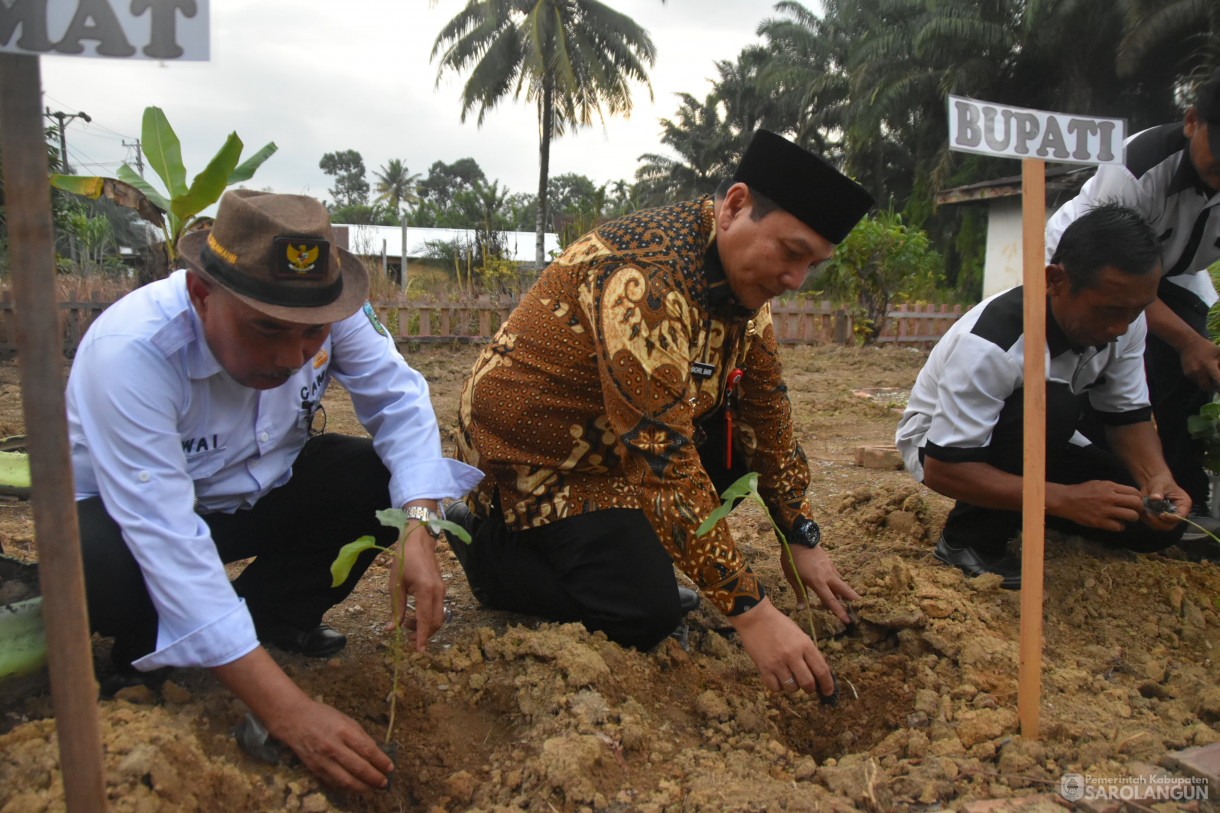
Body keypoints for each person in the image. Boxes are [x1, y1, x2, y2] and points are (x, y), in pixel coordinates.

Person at [66, 190, 483, 792]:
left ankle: (271, 620)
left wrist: (418, 523)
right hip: (139, 519)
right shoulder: (131, 354)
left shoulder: (330, 316)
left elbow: (399, 398)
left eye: (311, 334)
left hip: (261, 492)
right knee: (99, 555)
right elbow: (167, 539)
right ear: (201, 295)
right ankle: (143, 657)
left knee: (370, 477)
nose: (292, 357)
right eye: (266, 329)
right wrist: (288, 712)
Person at [448, 129, 874, 699]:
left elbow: (768, 415)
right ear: (735, 206)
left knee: (731, 447)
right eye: (791, 252)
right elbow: (663, 460)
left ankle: (613, 551)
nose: (795, 280)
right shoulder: (646, 278)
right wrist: (751, 612)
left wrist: (800, 533)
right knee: (643, 615)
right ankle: (486, 543)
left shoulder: (745, 294)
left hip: (613, 451)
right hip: (536, 461)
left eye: (813, 265)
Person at [896, 203, 1189, 588]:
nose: (1121, 327)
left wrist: (1157, 478)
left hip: (1046, 437)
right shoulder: (993, 343)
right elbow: (944, 467)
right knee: (1051, 404)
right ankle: (968, 543)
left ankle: (1032, 509)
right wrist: (1065, 499)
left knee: (1151, 525)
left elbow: (1126, 416)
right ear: (1055, 280)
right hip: (943, 447)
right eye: (1110, 311)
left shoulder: (1127, 322)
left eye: (1137, 310)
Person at [1045, 67, 1220, 524]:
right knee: (1091, 363)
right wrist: (1187, 342)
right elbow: (1121, 279)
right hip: (1097, 264)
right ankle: (1091, 478)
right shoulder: (1139, 168)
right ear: (1191, 122)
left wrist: (1195, 346)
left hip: (1178, 275)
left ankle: (1183, 498)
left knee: (1189, 381)